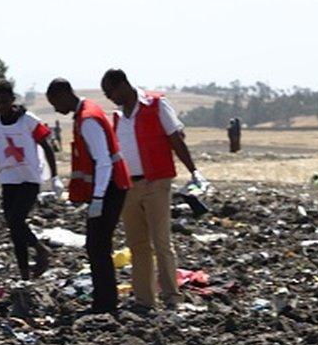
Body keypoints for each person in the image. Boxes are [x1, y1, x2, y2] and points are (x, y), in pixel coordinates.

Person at [102, 69, 204, 312]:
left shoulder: (156, 105)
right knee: (138, 245)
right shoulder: (117, 118)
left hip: (156, 181)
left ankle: (171, 297)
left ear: (122, 85)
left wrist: (193, 171)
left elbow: (175, 139)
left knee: (161, 241)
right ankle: (145, 300)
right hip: (129, 185)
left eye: (110, 92)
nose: (109, 98)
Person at [46, 78, 132, 314]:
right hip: (110, 188)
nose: (55, 108)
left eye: (55, 102)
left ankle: (105, 304)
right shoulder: (86, 113)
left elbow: (103, 162)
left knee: (97, 246)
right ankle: (104, 300)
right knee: (97, 246)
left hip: (110, 188)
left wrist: (98, 199)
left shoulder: (87, 120)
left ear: (64, 95)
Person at [0, 79, 59, 280]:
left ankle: (41, 250)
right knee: (14, 227)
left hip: (29, 178)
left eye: (4, 101)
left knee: (16, 220)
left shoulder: (28, 121)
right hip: (9, 180)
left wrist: (55, 177)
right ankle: (25, 275)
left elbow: (46, 146)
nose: (1, 106)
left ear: (12, 99)